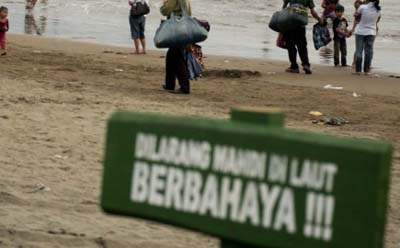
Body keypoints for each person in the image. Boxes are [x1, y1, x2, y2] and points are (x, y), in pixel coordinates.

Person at [283, 0, 323, 74]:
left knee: (290, 45)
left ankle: (294, 66)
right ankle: (306, 64)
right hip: (301, 23)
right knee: (302, 45)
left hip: (290, 22)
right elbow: (313, 12)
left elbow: (284, 7)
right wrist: (319, 19)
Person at [160, 0, 192, 94]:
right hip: (183, 28)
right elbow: (188, 13)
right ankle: (170, 84)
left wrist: (164, 3)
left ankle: (184, 87)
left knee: (176, 57)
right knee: (171, 56)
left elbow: (165, 11)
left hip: (177, 29)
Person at [353, 0, 381, 75]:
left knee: (359, 50)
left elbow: (356, 16)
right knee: (368, 52)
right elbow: (377, 20)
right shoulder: (378, 10)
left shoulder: (362, 7)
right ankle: (366, 70)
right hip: (371, 31)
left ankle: (358, 70)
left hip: (360, 31)